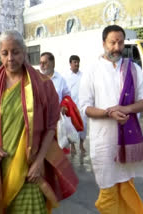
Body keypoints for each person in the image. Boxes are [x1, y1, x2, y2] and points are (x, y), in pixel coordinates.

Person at [0, 30, 78, 214]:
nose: (10, 58)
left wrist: (39, 162)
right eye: (5, 53)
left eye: (16, 52)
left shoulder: (43, 85)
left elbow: (51, 127)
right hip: (1, 165)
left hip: (30, 166)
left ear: (24, 52)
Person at [79, 25, 143, 214]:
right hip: (103, 143)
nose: (116, 47)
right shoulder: (92, 70)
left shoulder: (134, 69)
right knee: (108, 192)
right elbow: (85, 107)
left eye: (120, 42)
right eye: (112, 42)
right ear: (103, 43)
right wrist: (109, 112)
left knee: (126, 187)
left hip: (127, 143)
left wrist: (126, 109)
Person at [62, 55, 87, 154]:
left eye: (78, 62)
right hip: (71, 107)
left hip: (81, 106)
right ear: (70, 63)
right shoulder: (66, 77)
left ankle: (81, 145)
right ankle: (72, 146)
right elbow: (65, 93)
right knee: (71, 126)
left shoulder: (84, 76)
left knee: (83, 125)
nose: (76, 64)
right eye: (74, 62)